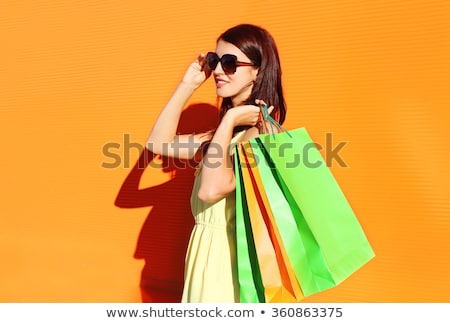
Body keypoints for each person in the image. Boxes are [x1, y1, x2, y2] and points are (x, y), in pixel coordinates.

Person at [146, 23, 287, 302]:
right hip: (204, 254)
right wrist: (187, 85)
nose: (219, 71)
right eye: (215, 60)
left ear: (258, 70)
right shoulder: (223, 136)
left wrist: (232, 119)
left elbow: (210, 191)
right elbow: (157, 143)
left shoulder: (263, 134)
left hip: (229, 262)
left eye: (230, 62)